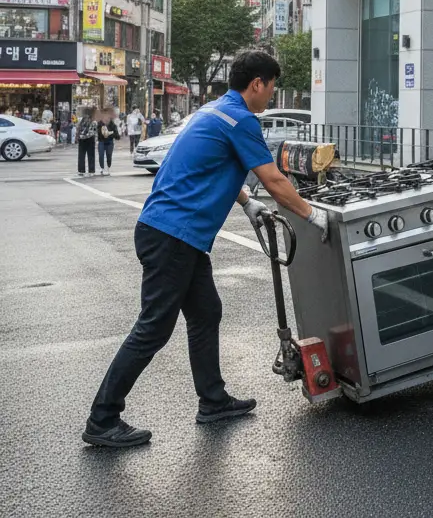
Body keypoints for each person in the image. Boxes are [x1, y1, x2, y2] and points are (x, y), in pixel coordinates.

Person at [81, 50, 330, 449]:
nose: (271, 95)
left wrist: (245, 201)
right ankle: (103, 417)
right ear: (257, 85)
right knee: (154, 328)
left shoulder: (214, 111)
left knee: (206, 312)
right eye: (272, 87)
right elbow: (276, 180)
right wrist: (312, 214)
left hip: (173, 232)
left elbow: (209, 168)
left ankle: (213, 401)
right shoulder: (242, 119)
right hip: (173, 235)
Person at [97, 110, 119, 176]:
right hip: (101, 142)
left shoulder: (113, 125)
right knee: (101, 155)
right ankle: (102, 168)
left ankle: (109, 167)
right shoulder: (100, 124)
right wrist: (103, 133)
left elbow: (117, 136)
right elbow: (98, 134)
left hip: (110, 142)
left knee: (109, 155)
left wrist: (109, 133)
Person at [76, 109, 97, 176]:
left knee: (83, 155)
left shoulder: (80, 120)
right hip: (88, 139)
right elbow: (95, 131)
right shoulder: (93, 121)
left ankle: (83, 170)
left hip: (84, 139)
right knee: (89, 155)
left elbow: (78, 129)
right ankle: (90, 171)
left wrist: (78, 137)